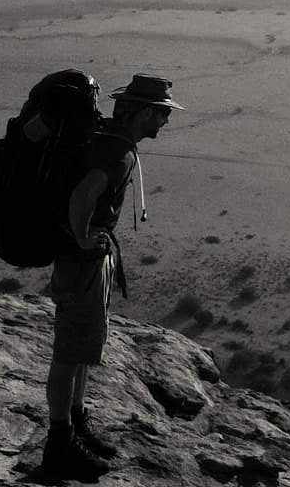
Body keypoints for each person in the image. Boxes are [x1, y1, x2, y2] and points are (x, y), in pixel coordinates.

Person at [42, 74, 185, 481]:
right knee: (69, 352)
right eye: (161, 114)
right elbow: (83, 195)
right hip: (81, 262)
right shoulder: (116, 153)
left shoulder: (108, 141)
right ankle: (58, 446)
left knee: (83, 346)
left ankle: (75, 425)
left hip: (86, 261)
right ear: (141, 112)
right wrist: (85, 239)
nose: (164, 122)